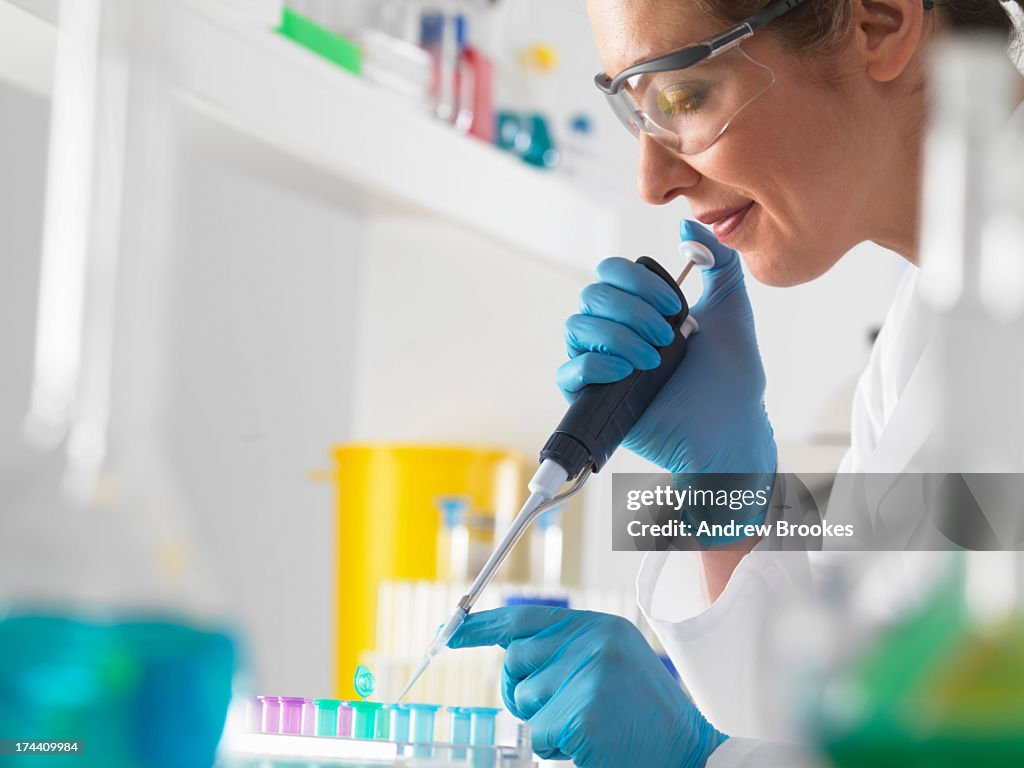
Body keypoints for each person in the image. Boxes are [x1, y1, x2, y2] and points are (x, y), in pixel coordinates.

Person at [449, 0, 1024, 766]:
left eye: (684, 97)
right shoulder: (940, 312)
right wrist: (725, 489)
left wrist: (699, 758)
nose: (653, 179)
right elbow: (848, 701)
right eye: (634, 110)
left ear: (879, 24)